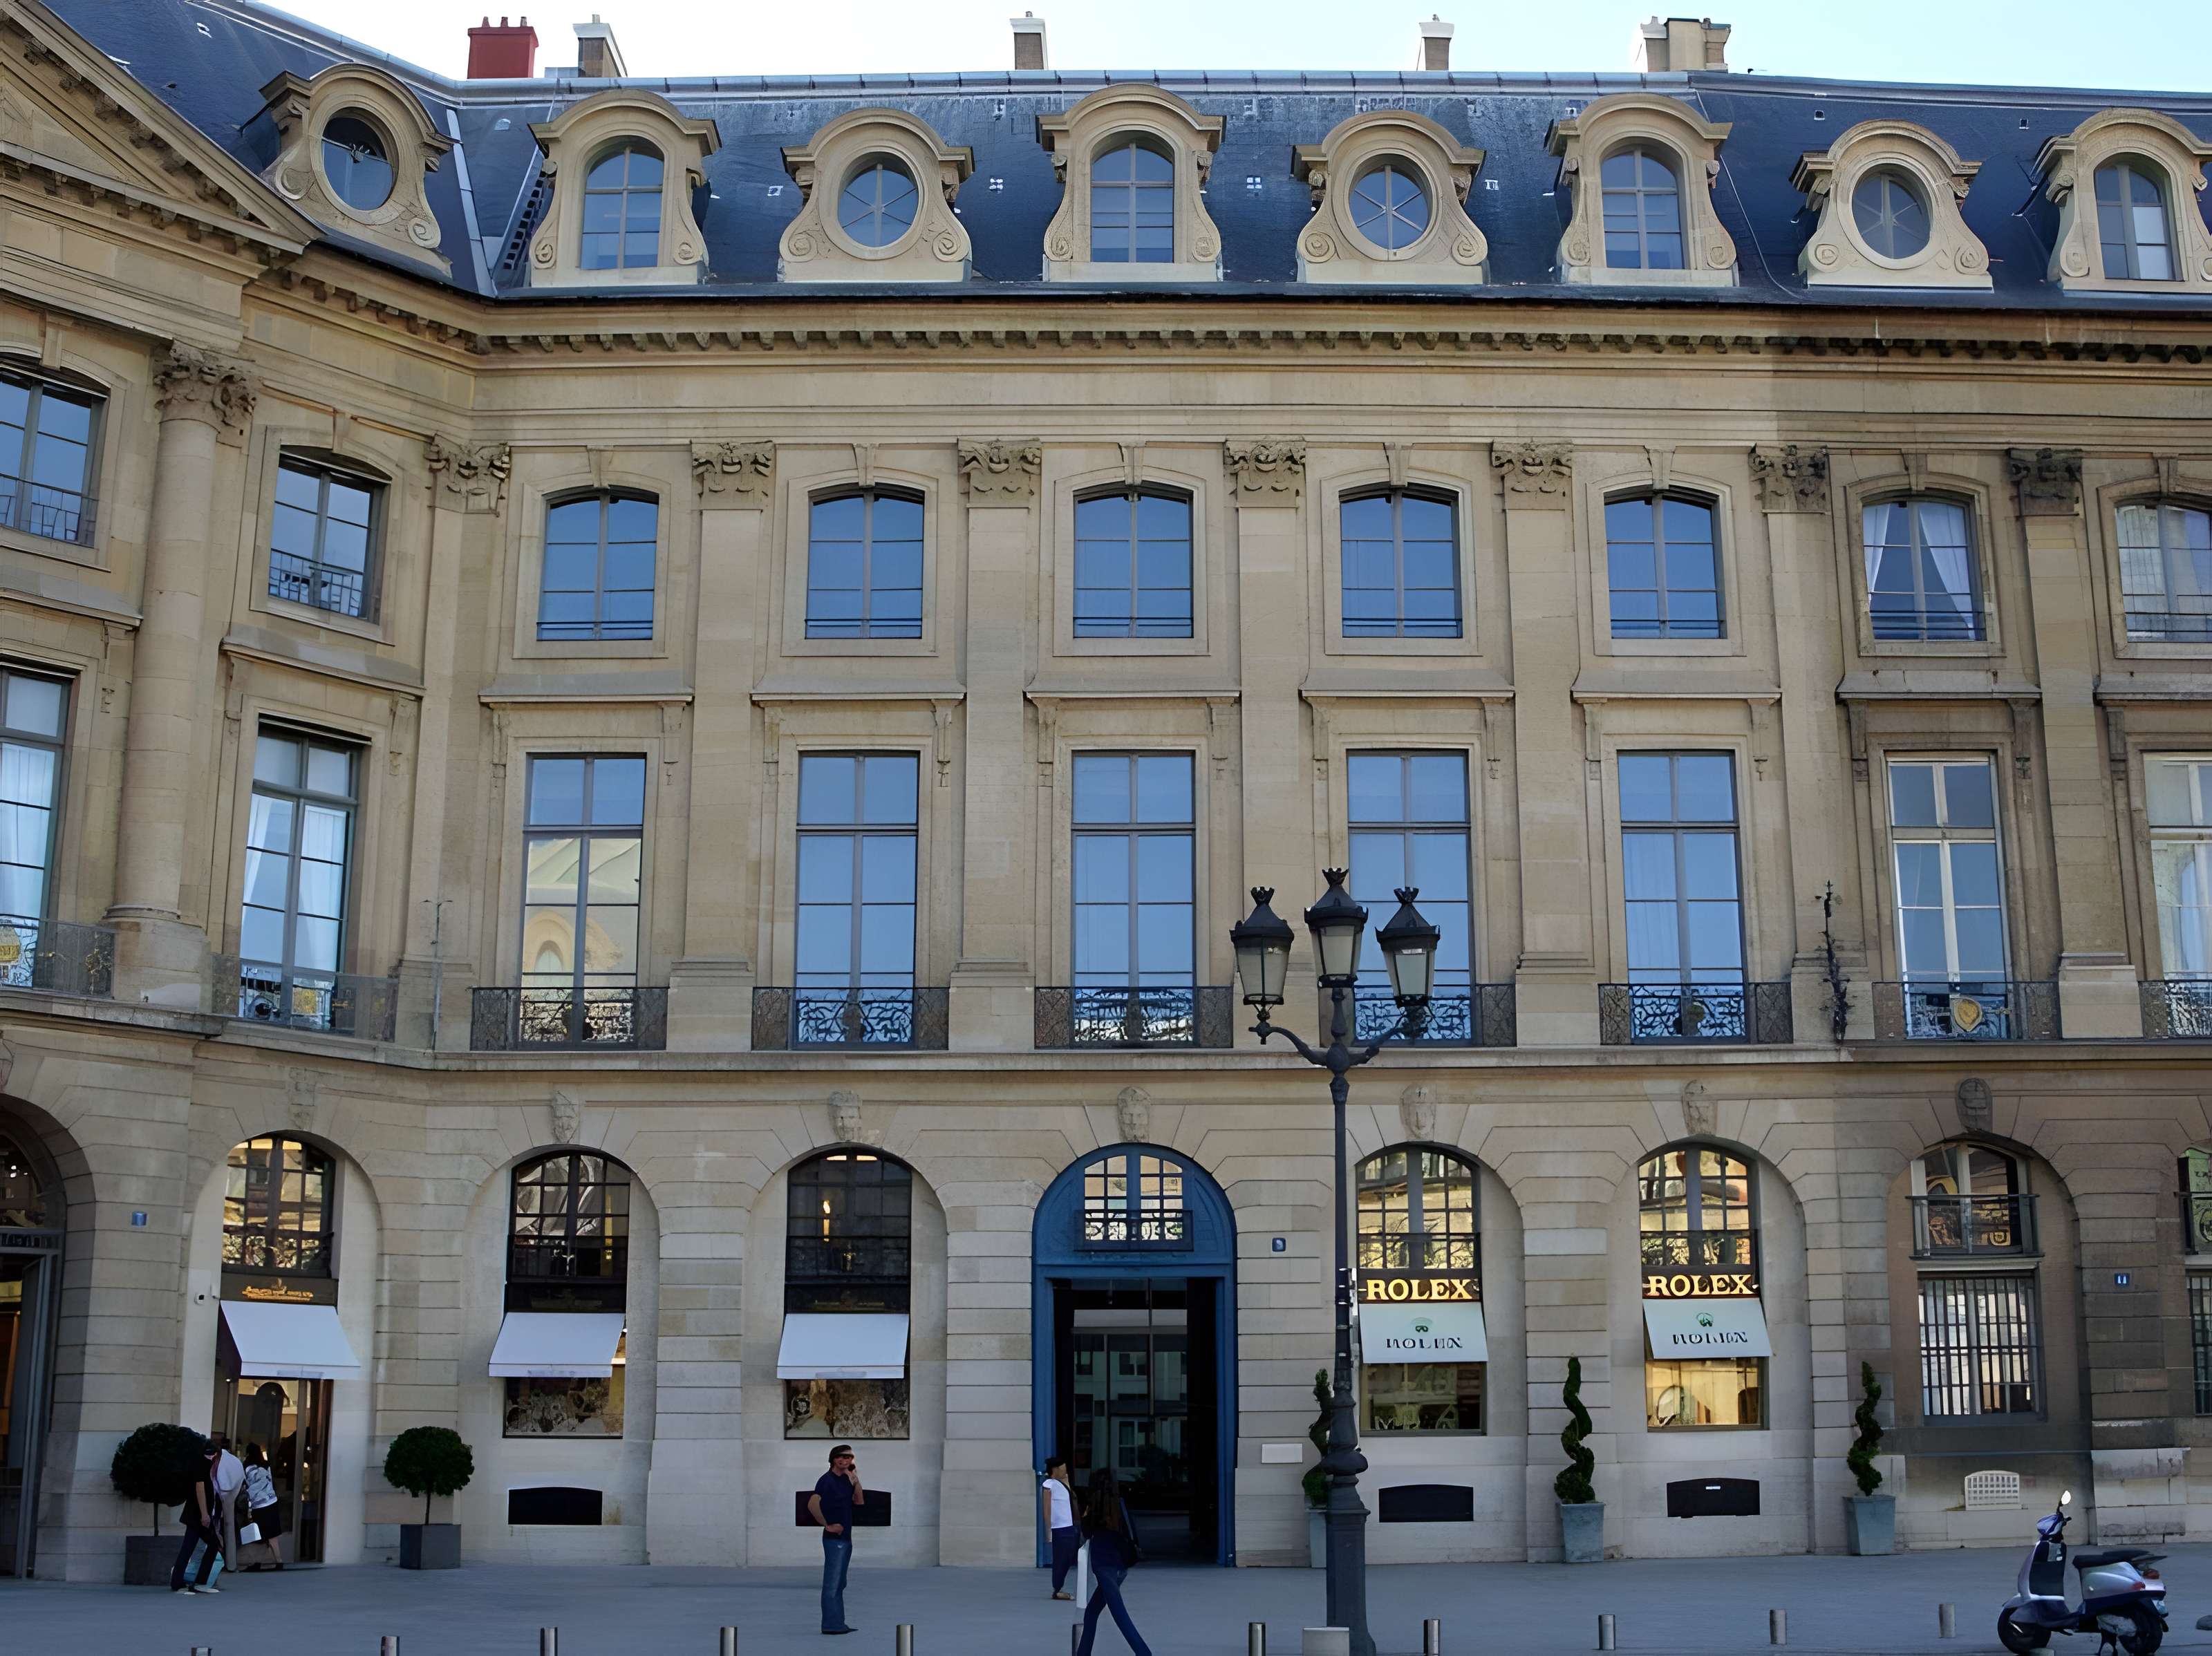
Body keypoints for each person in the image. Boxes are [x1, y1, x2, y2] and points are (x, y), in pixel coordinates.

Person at [1074, 1469, 1152, 1656]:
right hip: (1120, 1567)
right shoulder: (1120, 1505)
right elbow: (1131, 1533)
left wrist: (1084, 1516)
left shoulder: (1095, 1510)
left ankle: (1144, 1653)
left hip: (1103, 1568)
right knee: (1091, 1613)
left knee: (1121, 1617)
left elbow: (1086, 1534)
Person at [806, 1442, 863, 1636]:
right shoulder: (826, 1480)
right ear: (833, 1459)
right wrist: (827, 1525)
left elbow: (859, 1501)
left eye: (848, 1458)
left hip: (846, 1538)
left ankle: (838, 1623)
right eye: (841, 1457)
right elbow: (813, 1504)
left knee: (839, 1583)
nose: (845, 1460)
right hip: (834, 1539)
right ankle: (831, 1625)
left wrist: (855, 1480)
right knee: (833, 1583)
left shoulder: (847, 1480)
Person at [170, 1442, 224, 1596]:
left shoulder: (207, 1466)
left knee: (204, 1545)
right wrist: (205, 1514)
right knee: (200, 1546)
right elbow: (199, 1488)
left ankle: (192, 1582)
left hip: (197, 1515)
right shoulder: (203, 1465)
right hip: (197, 1516)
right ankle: (183, 1583)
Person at [234, 1444, 283, 1571]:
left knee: (260, 1535)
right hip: (271, 1501)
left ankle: (261, 1562)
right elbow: (270, 1481)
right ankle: (274, 1561)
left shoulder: (246, 1467)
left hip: (259, 1504)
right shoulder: (266, 1465)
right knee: (271, 1535)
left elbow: (245, 1485)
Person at [1040, 1454, 1078, 1601]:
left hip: (1069, 1526)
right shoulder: (1049, 1485)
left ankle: (1059, 1586)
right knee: (1061, 1558)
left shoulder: (1063, 1484)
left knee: (1069, 1557)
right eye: (1062, 1469)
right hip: (1059, 1528)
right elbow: (1047, 1509)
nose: (1065, 1471)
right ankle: (1057, 1588)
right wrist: (1048, 1530)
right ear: (1055, 1470)